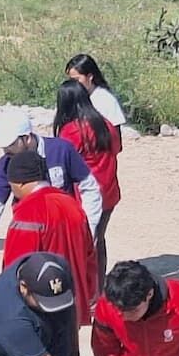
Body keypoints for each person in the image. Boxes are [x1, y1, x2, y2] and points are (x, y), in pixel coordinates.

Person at [2, 151, 98, 356]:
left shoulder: (27, 212)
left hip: (38, 306)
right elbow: (89, 255)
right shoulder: (72, 205)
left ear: (17, 182)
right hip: (71, 301)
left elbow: (15, 268)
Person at [0, 111, 102, 242]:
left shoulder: (62, 150)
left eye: (10, 144)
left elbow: (90, 188)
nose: (6, 150)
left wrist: (89, 229)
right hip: (29, 232)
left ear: (27, 138)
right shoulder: (5, 164)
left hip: (64, 231)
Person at [52, 79, 121, 292]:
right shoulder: (106, 124)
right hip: (108, 191)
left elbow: (64, 165)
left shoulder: (71, 131)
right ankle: (98, 289)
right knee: (99, 240)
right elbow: (116, 150)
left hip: (85, 195)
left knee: (80, 245)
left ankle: (83, 289)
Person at [64, 53, 128, 130]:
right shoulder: (72, 97)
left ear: (90, 77)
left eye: (77, 80)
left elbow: (115, 134)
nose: (73, 84)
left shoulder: (106, 100)